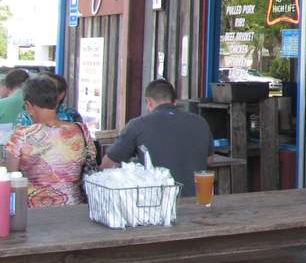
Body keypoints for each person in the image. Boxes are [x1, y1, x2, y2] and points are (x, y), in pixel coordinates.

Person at [101, 79, 213, 197]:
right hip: (197, 200)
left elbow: (107, 164)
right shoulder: (201, 122)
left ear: (148, 102)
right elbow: (209, 160)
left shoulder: (137, 125)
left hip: (157, 203)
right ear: (174, 102)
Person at [4, 76, 95, 207]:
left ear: (28, 106)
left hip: (33, 211)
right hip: (75, 208)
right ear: (56, 102)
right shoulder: (81, 130)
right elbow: (91, 161)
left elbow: (11, 178)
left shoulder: (21, 135)